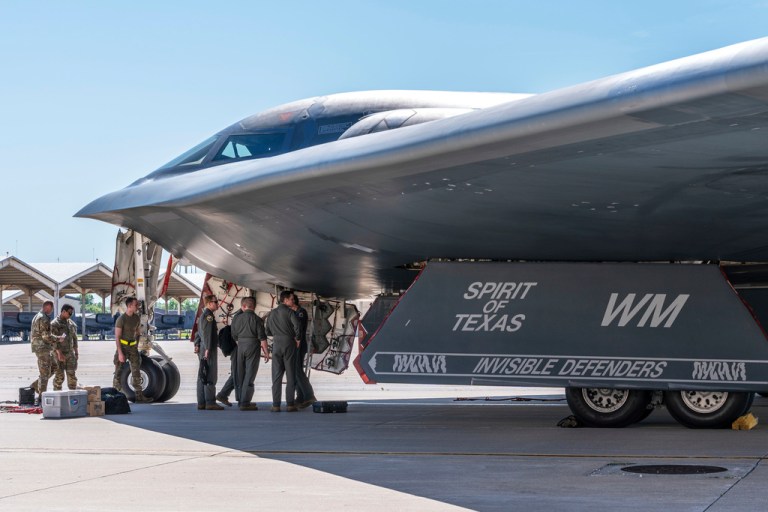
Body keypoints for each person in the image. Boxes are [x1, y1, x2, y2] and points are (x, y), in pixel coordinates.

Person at [265, 290, 301, 412]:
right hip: (289, 343)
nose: (293, 301)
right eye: (292, 299)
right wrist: (298, 338)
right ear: (285, 300)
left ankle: (276, 405)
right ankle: (290, 404)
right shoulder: (291, 312)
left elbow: (267, 330)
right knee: (290, 374)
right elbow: (298, 326)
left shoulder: (272, 313)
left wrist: (276, 334)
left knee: (276, 375)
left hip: (276, 344)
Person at [231, 296, 269, 411]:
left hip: (240, 345)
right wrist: (266, 352)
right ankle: (245, 402)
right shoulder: (257, 319)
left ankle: (239, 399)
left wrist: (241, 342)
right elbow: (262, 338)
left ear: (243, 306)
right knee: (250, 374)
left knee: (240, 373)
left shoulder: (236, 319)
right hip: (253, 345)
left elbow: (233, 335)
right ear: (254, 306)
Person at [113, 298, 152, 403]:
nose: (138, 307)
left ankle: (139, 397)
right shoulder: (121, 319)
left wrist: (136, 346)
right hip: (123, 348)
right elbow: (117, 337)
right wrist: (120, 353)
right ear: (129, 306)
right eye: (136, 305)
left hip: (132, 348)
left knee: (136, 372)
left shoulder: (136, 318)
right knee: (118, 373)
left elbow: (138, 333)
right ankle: (116, 398)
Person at [196, 295, 224, 410]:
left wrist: (197, 344)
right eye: (215, 302)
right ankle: (210, 402)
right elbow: (207, 333)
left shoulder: (203, 315)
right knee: (210, 374)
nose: (217, 304)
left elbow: (198, 332)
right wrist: (207, 349)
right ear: (209, 303)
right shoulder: (209, 316)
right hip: (208, 348)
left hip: (203, 346)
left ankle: (201, 402)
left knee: (202, 374)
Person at [290, 293, 316, 409]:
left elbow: (298, 329)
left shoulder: (301, 312)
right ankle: (300, 397)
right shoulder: (294, 313)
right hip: (296, 345)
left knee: (297, 370)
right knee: (296, 371)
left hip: (298, 344)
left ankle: (309, 395)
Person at [30, 300, 60, 402]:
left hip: (42, 348)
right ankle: (41, 397)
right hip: (42, 348)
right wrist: (58, 338)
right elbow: (46, 336)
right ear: (47, 307)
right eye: (51, 309)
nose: (52, 311)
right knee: (44, 372)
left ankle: (35, 386)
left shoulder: (37, 316)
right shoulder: (43, 318)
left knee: (54, 367)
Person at [51, 305, 78, 390]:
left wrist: (76, 352)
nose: (70, 314)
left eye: (71, 313)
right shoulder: (55, 324)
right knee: (60, 376)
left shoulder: (71, 324)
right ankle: (57, 394)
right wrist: (59, 353)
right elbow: (53, 340)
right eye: (69, 312)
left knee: (72, 375)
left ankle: (73, 395)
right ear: (63, 311)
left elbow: (75, 338)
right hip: (58, 353)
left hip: (70, 353)